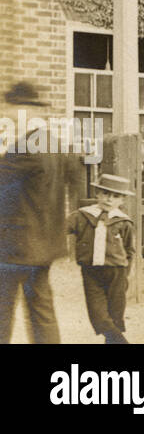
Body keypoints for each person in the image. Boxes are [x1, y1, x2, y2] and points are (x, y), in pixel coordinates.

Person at [0, 82, 84, 344]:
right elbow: (77, 187)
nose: (8, 113)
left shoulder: (23, 148)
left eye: (11, 107)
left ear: (24, 109)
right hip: (45, 246)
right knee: (42, 311)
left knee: (2, 311)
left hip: (15, 247)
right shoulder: (58, 146)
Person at [68, 173, 136, 345]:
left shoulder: (123, 222)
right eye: (105, 193)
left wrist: (125, 274)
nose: (109, 199)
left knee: (116, 314)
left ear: (122, 200)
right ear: (97, 193)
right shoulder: (82, 215)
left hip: (116, 273)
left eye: (115, 196)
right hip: (91, 272)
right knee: (98, 315)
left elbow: (129, 250)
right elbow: (60, 228)